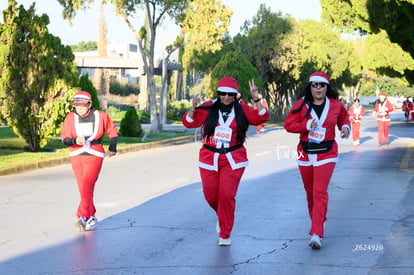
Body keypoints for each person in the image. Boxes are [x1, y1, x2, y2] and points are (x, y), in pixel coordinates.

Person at [182, 76, 269, 246]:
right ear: (218, 93)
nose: (227, 97)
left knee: (227, 195)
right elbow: (189, 122)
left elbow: (261, 117)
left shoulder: (242, 109)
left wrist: (256, 99)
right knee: (210, 196)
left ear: (235, 94)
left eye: (230, 94)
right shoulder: (208, 107)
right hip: (209, 158)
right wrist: (193, 108)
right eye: (223, 94)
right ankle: (222, 216)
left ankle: (225, 233)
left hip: (233, 158)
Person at [283, 72, 350, 249]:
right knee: (310, 191)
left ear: (327, 87)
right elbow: (288, 125)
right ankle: (319, 221)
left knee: (319, 191)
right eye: (315, 85)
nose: (318, 88)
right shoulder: (301, 104)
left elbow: (344, 117)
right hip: (304, 152)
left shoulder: (335, 105)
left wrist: (345, 127)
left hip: (327, 153)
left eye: (322, 85)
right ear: (310, 87)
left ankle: (316, 233)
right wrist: (305, 125)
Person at [61, 91, 118, 231]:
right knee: (83, 187)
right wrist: (75, 140)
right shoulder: (70, 117)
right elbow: (64, 139)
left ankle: (81, 217)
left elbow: (112, 130)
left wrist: (112, 147)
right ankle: (91, 215)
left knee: (87, 183)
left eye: (83, 105)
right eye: (77, 105)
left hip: (95, 153)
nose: (79, 108)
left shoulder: (101, 116)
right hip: (77, 153)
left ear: (89, 104)